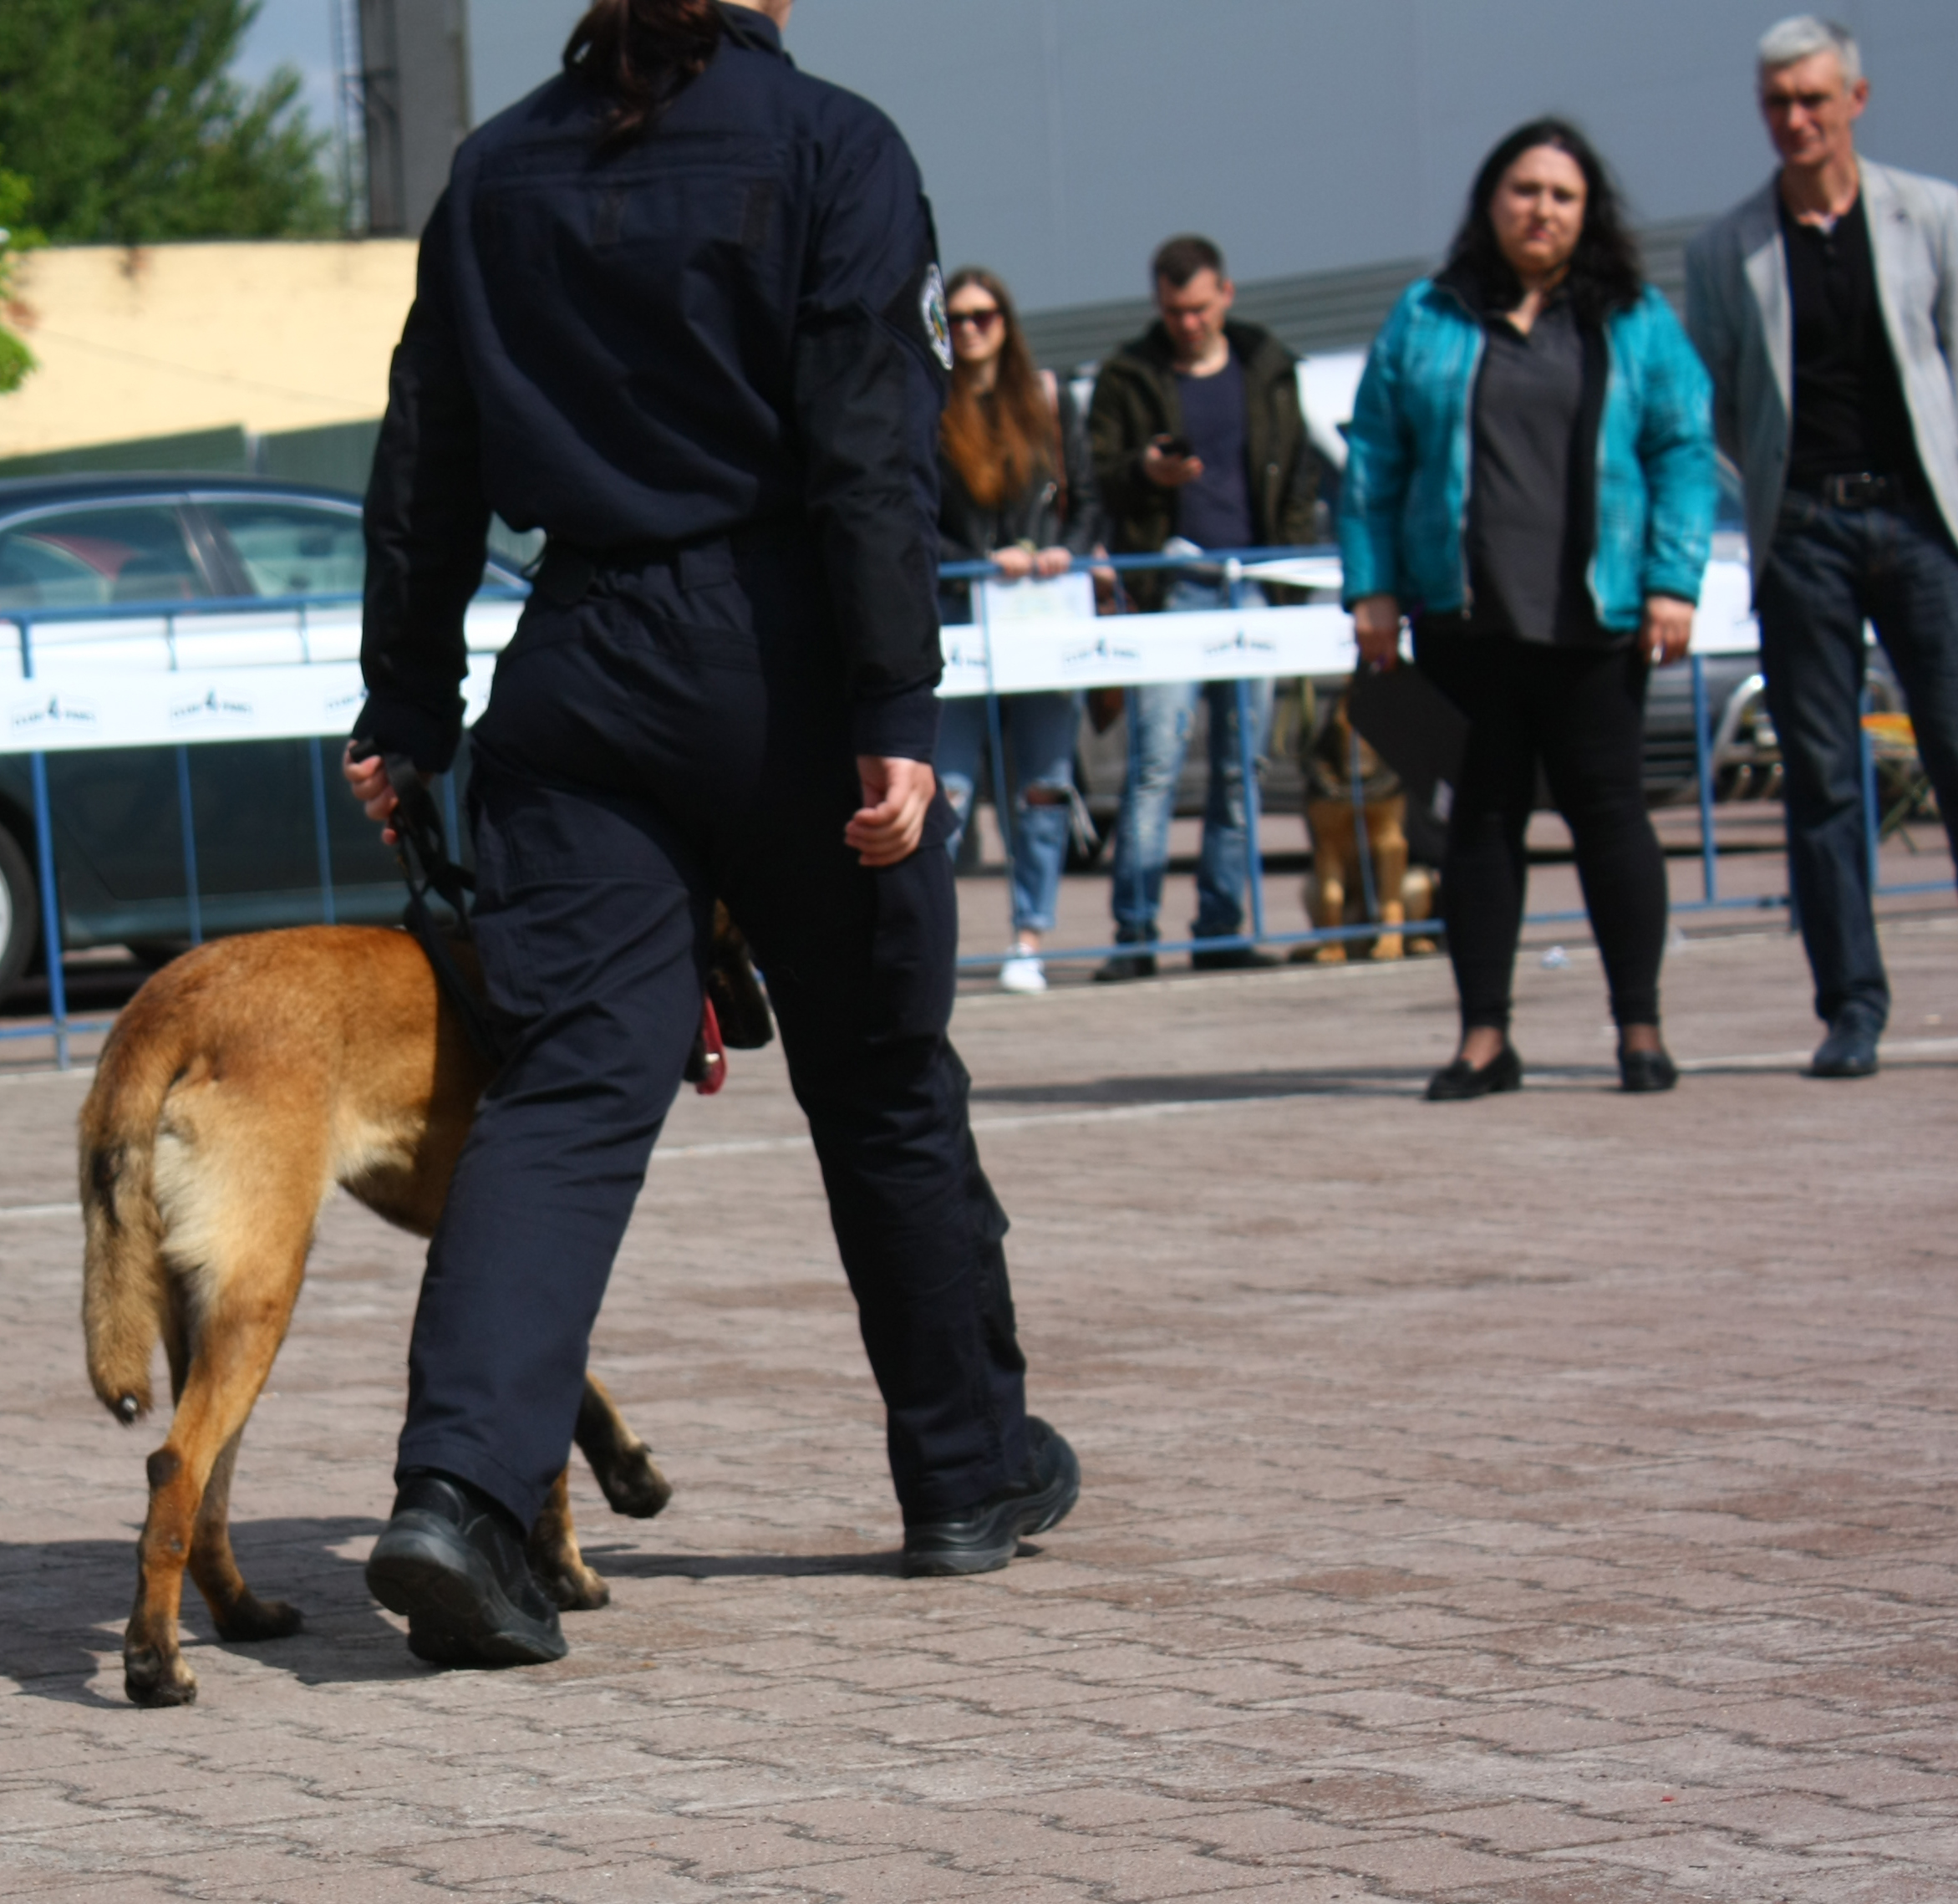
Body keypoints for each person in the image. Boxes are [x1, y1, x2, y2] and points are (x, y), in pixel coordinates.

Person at [341, 0, 1074, 1667]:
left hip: (580, 667)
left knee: (564, 1096)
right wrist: (894, 704)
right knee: (881, 1081)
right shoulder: (834, 148)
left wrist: (406, 708)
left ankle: (459, 1496)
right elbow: (868, 444)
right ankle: (965, 1473)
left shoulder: (494, 169)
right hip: (788, 663)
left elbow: (425, 457)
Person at [1685, 16, 1958, 1078]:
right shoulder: (1726, 248)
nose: (1796, 120)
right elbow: (1719, 394)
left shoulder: (1931, 211)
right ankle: (1852, 1009)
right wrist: (1782, 488)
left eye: (1814, 99)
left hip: (1918, 521)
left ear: (1855, 101)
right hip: (1803, 532)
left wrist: (1929, 463)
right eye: (1777, 103)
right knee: (1822, 781)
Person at [1341, 119, 1717, 1100]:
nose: (1540, 210)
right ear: (1490, 201)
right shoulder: (1428, 313)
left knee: (1612, 818)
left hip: (1597, 619)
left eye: (1562, 195)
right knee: (1479, 825)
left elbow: (1682, 450)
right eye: (1524, 190)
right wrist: (1372, 586)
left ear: (1589, 212)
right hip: (1464, 615)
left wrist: (1674, 581)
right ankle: (1484, 1040)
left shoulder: (1633, 317)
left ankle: (1639, 1028)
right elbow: (1375, 455)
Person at [1086, 235, 1320, 980]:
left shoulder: (1268, 367)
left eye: (1197, 308)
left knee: (1241, 769)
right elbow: (1098, 475)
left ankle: (1221, 930)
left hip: (1251, 583)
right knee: (1155, 765)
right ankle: (1135, 935)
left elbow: (1299, 474)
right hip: (1171, 583)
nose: (1187, 323)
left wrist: (1286, 574)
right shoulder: (1130, 374)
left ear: (1226, 294)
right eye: (1172, 311)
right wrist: (1146, 471)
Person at [931, 267, 1097, 994]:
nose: (971, 330)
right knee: (946, 790)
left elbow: (1088, 501)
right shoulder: (928, 407)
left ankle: (1030, 936)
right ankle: (931, 947)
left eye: (984, 315)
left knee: (1043, 786)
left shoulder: (1048, 402)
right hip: (961, 614)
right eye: (958, 318)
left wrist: (1063, 551)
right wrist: (975, 559)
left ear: (1006, 321)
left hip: (1039, 614)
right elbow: (912, 512)